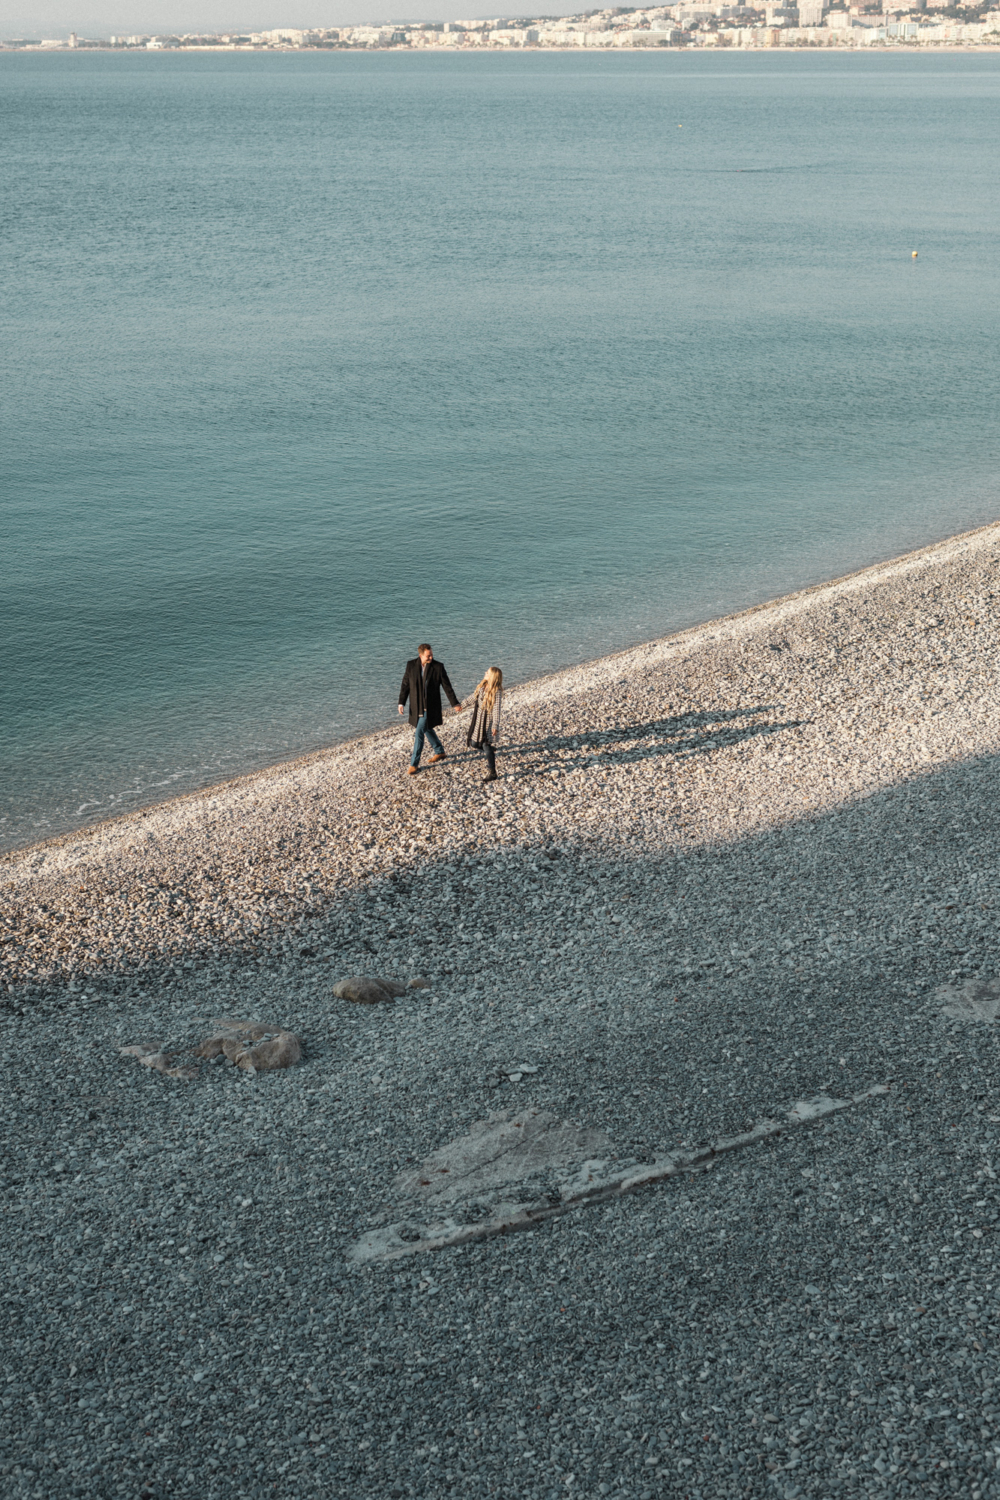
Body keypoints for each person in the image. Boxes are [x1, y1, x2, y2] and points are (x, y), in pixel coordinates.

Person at [398, 644, 462, 775]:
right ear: (420, 655)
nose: (431, 657)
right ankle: (440, 751)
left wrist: (455, 703)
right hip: (416, 706)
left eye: (432, 654)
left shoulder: (438, 667)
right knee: (426, 728)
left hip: (430, 706)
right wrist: (401, 702)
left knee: (419, 732)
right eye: (428, 656)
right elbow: (405, 684)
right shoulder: (411, 665)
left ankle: (414, 764)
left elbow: (447, 686)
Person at [466, 666, 503, 782]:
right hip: (478, 721)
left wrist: (495, 725)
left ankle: (492, 772)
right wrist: (461, 705)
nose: (485, 673)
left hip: (488, 723)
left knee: (485, 745)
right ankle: (490, 752)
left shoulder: (496, 692)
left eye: (487, 672)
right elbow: (473, 698)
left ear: (492, 676)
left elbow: (496, 710)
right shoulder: (482, 686)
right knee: (474, 743)